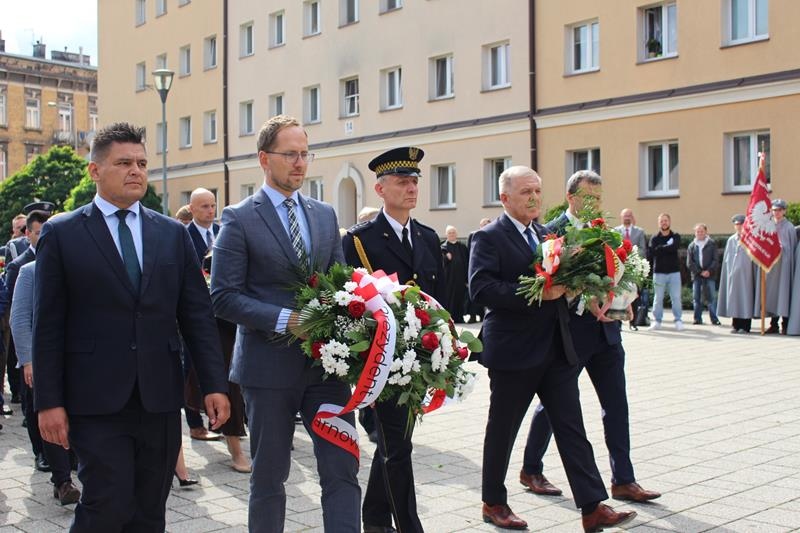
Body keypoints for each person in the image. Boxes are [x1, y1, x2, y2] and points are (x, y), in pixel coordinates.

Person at [33, 122, 230, 532]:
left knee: (149, 509)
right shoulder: (63, 233)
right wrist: (48, 401)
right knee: (107, 503)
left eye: (141, 163)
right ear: (95, 170)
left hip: (158, 398)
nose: (136, 171)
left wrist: (214, 384)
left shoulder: (171, 234)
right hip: (94, 399)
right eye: (124, 163)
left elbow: (196, 316)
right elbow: (48, 324)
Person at [211, 115, 359, 533]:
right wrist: (285, 320)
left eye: (305, 154)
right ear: (264, 158)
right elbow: (222, 296)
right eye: (290, 154)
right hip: (268, 371)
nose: (299, 163)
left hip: (326, 370)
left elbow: (340, 284)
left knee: (342, 468)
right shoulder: (239, 218)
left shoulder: (325, 215)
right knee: (270, 477)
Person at [469, 165, 635, 532]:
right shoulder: (489, 237)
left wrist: (596, 298)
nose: (534, 198)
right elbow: (481, 290)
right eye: (525, 192)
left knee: (571, 427)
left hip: (557, 349)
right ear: (505, 198)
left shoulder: (546, 234)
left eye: (537, 191)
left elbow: (565, 283)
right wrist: (537, 294)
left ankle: (592, 506)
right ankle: (493, 502)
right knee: (503, 430)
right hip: (514, 352)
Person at [523, 170, 660, 507]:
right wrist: (582, 295)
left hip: (607, 333)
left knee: (616, 405)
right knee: (553, 405)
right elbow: (545, 284)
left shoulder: (606, 233)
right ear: (571, 198)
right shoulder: (550, 233)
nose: (594, 205)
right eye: (588, 198)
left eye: (598, 199)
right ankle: (531, 469)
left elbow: (617, 275)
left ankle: (623, 479)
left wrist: (623, 300)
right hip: (569, 335)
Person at [342, 146, 446, 533]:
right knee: (398, 448)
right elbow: (351, 307)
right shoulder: (360, 241)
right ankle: (408, 527)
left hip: (419, 359)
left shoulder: (428, 237)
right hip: (381, 360)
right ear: (380, 189)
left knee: (393, 442)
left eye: (415, 181)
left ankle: (374, 517)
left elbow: (439, 302)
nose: (412, 188)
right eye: (402, 181)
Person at [185, 187, 251, 473]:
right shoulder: (182, 236)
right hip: (206, 322)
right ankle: (202, 427)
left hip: (236, 321)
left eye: (213, 205)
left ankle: (236, 432)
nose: (210, 211)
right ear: (191, 209)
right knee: (214, 381)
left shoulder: (225, 233)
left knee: (236, 385)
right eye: (204, 206)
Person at [11, 253, 81, 505]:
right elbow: (20, 319)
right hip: (44, 360)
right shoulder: (30, 271)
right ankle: (62, 481)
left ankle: (73, 463)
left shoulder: (78, 267)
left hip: (77, 359)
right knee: (50, 414)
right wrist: (28, 361)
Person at [754, 199, 796, 334]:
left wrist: (780, 249)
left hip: (784, 266)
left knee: (784, 293)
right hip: (771, 267)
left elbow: (791, 248)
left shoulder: (789, 227)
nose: (776, 213)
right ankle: (774, 324)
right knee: (772, 294)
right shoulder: (769, 226)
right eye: (774, 210)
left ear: (784, 211)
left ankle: (786, 324)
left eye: (779, 210)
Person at [717, 215, 755, 334]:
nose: (739, 227)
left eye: (741, 224)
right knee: (734, 299)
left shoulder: (750, 239)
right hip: (733, 276)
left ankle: (745, 325)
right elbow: (727, 258)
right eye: (737, 225)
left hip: (746, 275)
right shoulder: (731, 240)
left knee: (745, 299)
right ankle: (735, 324)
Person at [648, 213, 684, 331]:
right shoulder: (654, 238)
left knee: (676, 297)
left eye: (666, 220)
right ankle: (657, 321)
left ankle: (678, 320)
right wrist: (666, 247)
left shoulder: (676, 236)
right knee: (658, 298)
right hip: (659, 273)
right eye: (662, 221)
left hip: (674, 272)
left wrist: (661, 248)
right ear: (659, 223)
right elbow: (653, 252)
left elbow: (674, 247)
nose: (664, 223)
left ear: (669, 222)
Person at [614, 209, 649, 327]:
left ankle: (633, 322)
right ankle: (618, 322)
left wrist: (631, 256)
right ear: (621, 217)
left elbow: (643, 249)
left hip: (634, 268)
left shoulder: (639, 232)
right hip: (620, 268)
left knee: (634, 295)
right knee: (618, 295)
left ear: (632, 217)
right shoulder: (616, 231)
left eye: (629, 215)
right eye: (625, 216)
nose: (627, 217)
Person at [686, 223, 721, 326]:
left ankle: (714, 319)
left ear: (706, 232)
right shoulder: (692, 245)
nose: (700, 233)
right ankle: (697, 319)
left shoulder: (711, 244)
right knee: (696, 298)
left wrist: (708, 271)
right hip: (697, 275)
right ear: (695, 233)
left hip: (710, 275)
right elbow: (689, 263)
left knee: (711, 298)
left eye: (702, 231)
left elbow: (715, 260)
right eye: (698, 231)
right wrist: (699, 272)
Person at [465, 217, 491, 323]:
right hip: (476, 267)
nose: (485, 225)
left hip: (489, 268)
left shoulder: (494, 235)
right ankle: (472, 316)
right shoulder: (474, 235)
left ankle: (483, 316)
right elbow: (468, 254)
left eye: (487, 224)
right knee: (474, 294)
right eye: (483, 224)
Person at [441, 225, 469, 324]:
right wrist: (445, 258)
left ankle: (459, 317)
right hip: (448, 278)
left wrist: (467, 278)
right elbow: (439, 262)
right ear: (446, 235)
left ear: (456, 234)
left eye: (453, 233)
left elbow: (467, 262)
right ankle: (450, 318)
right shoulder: (443, 247)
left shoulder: (462, 247)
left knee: (460, 298)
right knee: (449, 298)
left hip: (460, 278)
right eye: (449, 233)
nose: (452, 234)